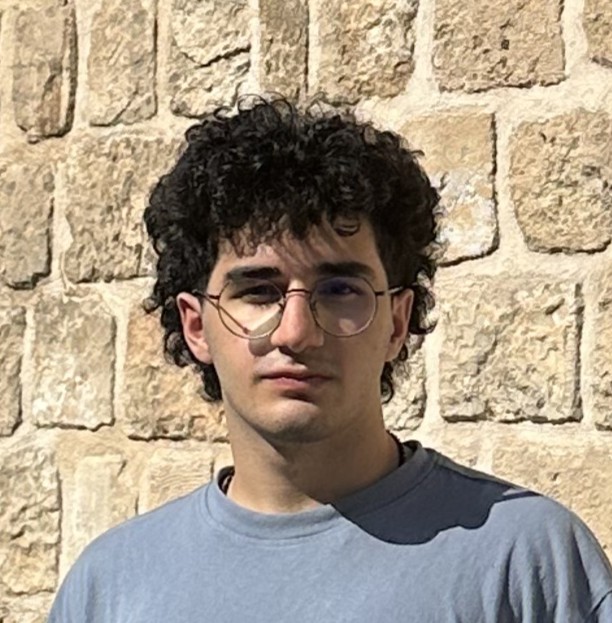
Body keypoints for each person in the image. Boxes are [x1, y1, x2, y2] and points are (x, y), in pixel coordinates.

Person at [48, 97, 612, 622]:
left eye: (340, 290)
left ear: (396, 322)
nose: (297, 332)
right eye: (259, 292)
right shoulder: (110, 589)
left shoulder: (530, 565)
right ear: (196, 326)